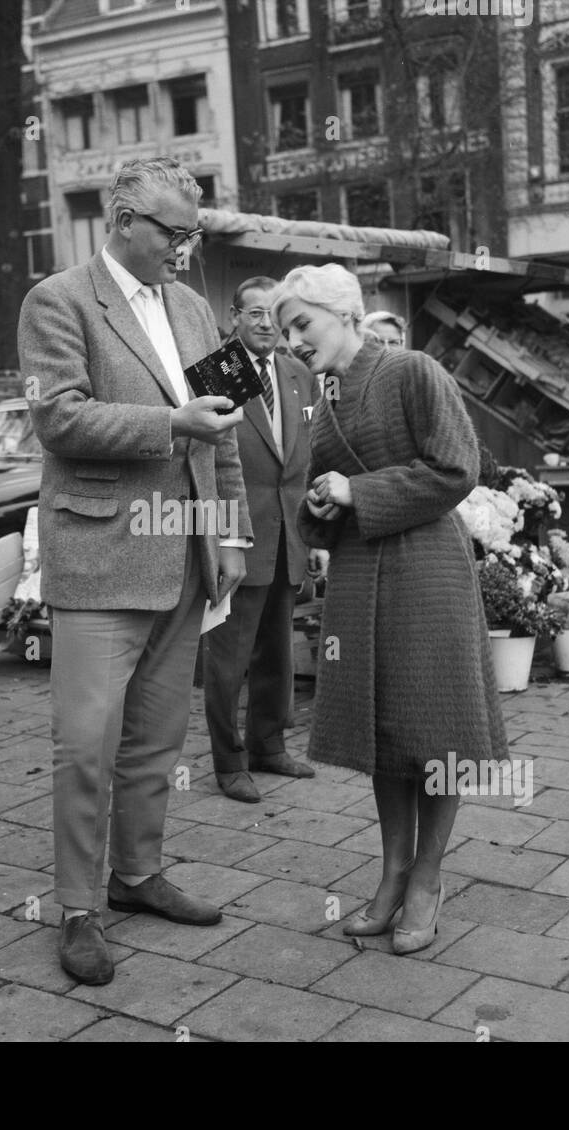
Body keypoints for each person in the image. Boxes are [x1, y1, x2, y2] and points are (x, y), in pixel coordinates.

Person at [19, 157, 253, 986]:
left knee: (156, 741)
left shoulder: (192, 308)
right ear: (121, 220)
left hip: (186, 554)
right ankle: (78, 908)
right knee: (85, 747)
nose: (187, 249)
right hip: (101, 561)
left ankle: (137, 876)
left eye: (194, 233)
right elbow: (58, 417)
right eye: (172, 232)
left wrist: (231, 537)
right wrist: (169, 421)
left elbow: (220, 433)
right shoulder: (57, 301)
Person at [273, 263, 508, 955]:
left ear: (343, 312)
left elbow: (457, 468)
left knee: (436, 729)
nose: (292, 339)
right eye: (285, 329)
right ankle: (392, 875)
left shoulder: (411, 372)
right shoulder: (326, 399)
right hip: (359, 572)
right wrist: (320, 504)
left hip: (425, 570)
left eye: (302, 323)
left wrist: (358, 492)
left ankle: (427, 879)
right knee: (384, 733)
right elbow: (328, 492)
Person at [203, 276, 319, 804]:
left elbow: (305, 457)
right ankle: (229, 763)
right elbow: (210, 460)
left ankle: (269, 745)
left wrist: (315, 530)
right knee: (229, 658)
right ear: (234, 317)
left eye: (273, 313)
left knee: (278, 649)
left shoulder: (298, 374)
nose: (265, 322)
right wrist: (224, 533)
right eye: (253, 313)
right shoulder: (219, 370)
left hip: (288, 533)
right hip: (239, 536)